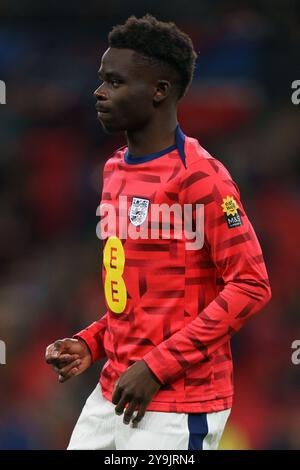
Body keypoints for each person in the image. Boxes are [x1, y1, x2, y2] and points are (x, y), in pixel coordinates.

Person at [45, 14, 271, 450]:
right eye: (101, 79)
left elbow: (251, 284)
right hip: (112, 393)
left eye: (114, 82)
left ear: (159, 91)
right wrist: (91, 342)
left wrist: (156, 367)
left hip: (178, 404)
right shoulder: (113, 170)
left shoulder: (201, 177)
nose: (99, 91)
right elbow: (140, 299)